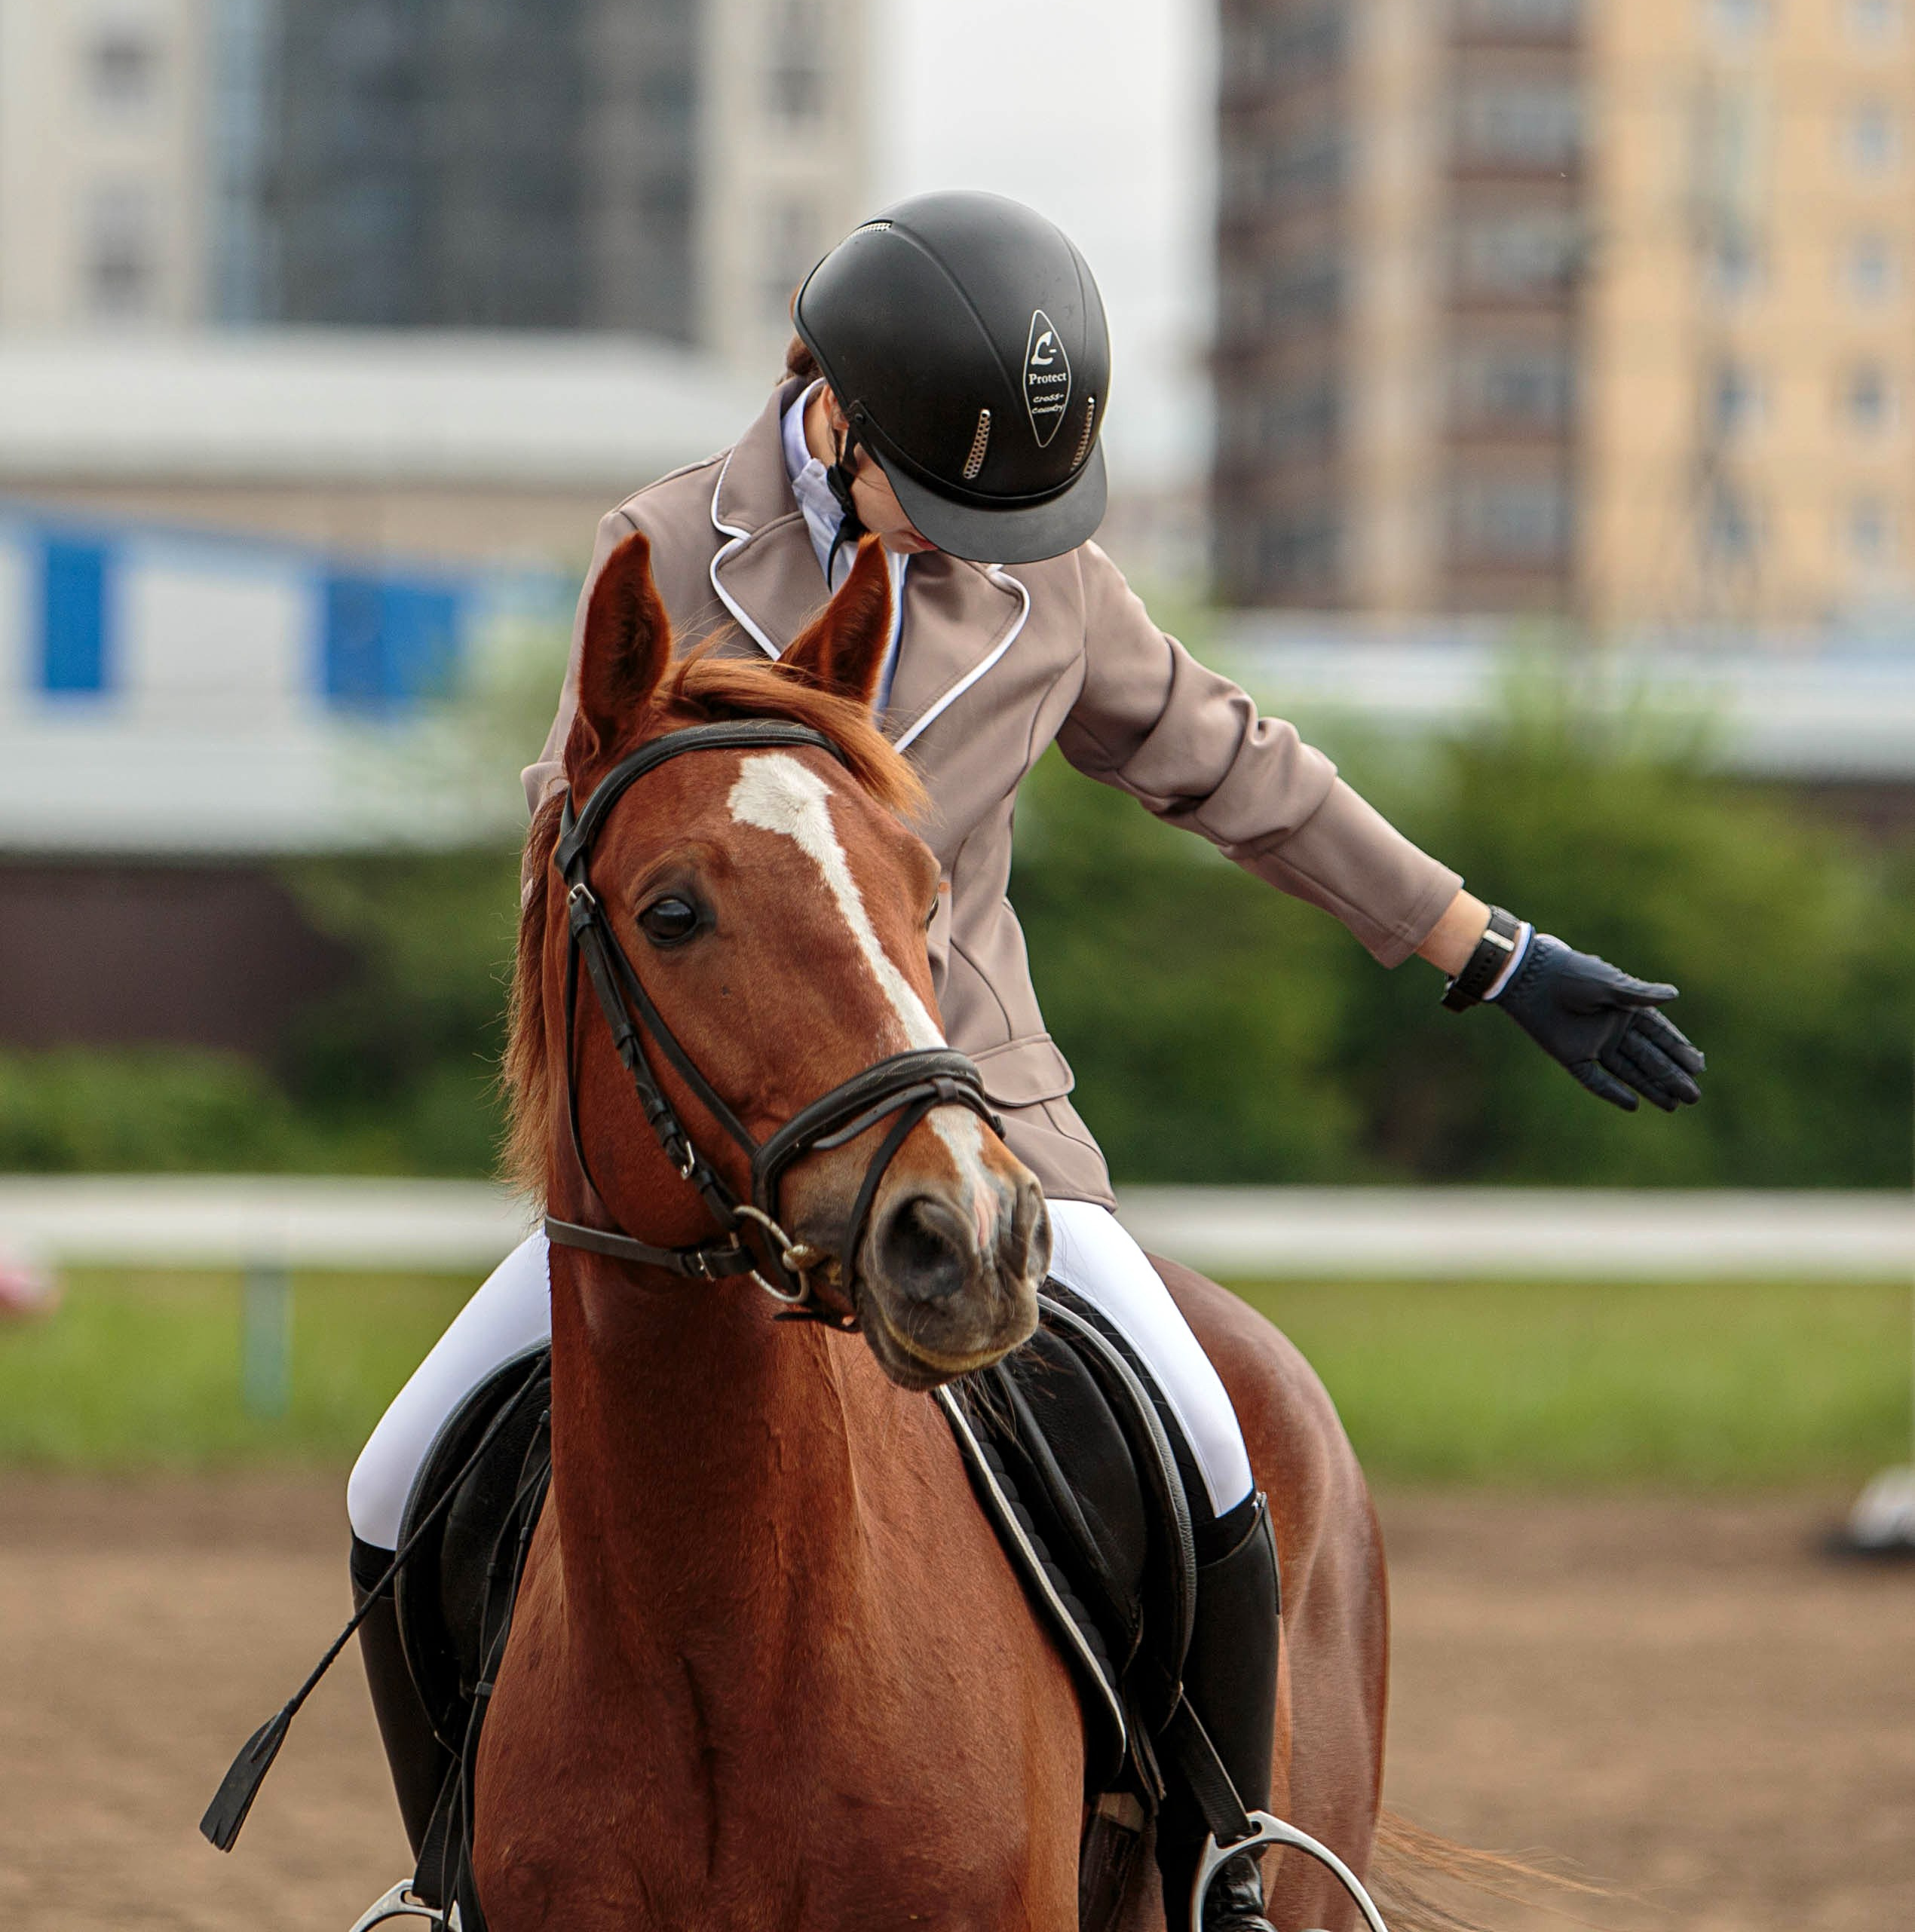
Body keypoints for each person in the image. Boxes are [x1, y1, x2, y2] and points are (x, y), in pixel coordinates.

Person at [345, 191, 1703, 1930]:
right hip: (706, 1136)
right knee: (399, 1473)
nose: (983, 541)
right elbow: (577, 835)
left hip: (976, 1119)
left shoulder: (1037, 573)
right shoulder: (673, 550)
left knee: (1217, 1432)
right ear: (831, 414)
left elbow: (1233, 765)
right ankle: (453, 1883)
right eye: (952, 494)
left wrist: (1483, 946)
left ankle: (1229, 1862)